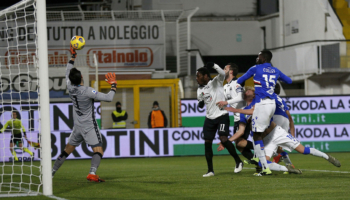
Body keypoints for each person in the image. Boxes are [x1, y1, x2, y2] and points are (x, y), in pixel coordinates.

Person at [51, 44, 117, 182]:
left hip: (77, 126)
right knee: (98, 150)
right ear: (81, 77)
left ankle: (51, 172)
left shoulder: (70, 87)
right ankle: (92, 173)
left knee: (66, 150)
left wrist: (73, 56)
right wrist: (113, 84)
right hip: (88, 126)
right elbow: (109, 98)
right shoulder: (87, 91)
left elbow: (67, 70)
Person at [236, 50, 292, 176]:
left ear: (262, 57)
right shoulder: (275, 70)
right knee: (266, 135)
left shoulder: (255, 68)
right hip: (272, 104)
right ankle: (265, 161)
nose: (257, 58)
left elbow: (240, 80)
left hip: (262, 104)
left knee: (257, 135)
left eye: (258, 56)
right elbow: (289, 81)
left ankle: (264, 165)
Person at [196, 63, 243, 177]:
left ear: (206, 76)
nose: (197, 78)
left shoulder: (216, 82)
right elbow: (200, 103)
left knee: (223, 138)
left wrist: (213, 65)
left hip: (222, 115)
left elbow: (223, 73)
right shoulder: (199, 89)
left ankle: (238, 161)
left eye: (198, 76)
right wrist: (201, 103)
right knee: (207, 143)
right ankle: (210, 170)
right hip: (209, 118)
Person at [216, 63, 254, 163]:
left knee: (239, 143)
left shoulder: (237, 82)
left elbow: (241, 97)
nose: (223, 70)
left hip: (244, 115)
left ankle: (263, 148)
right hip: (237, 118)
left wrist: (226, 102)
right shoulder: (225, 86)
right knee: (239, 145)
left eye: (225, 68)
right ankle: (258, 163)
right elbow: (222, 102)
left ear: (231, 71)